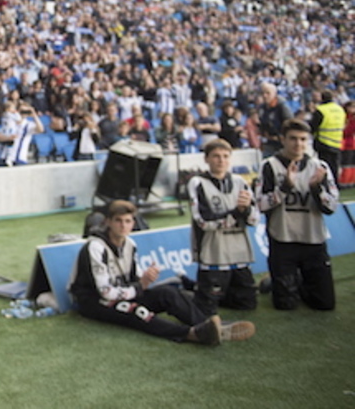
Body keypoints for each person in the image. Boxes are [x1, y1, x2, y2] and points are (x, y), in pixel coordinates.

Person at [70, 200, 255, 346]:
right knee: (137, 311)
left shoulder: (130, 245)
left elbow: (133, 278)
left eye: (127, 221)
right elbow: (105, 292)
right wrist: (140, 286)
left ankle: (210, 325)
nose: (122, 226)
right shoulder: (95, 247)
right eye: (118, 221)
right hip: (94, 303)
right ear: (108, 222)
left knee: (168, 293)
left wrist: (146, 278)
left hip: (122, 294)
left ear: (133, 223)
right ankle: (192, 335)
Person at [256, 119, 339, 310]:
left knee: (325, 304)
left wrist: (316, 189)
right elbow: (260, 205)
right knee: (285, 305)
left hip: (313, 240)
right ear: (282, 139)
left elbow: (332, 207)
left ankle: (295, 280)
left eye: (303, 139)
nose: (298, 144)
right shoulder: (269, 166)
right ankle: (280, 281)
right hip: (283, 240)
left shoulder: (320, 167)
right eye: (293, 139)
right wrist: (284, 187)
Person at [188, 139, 260, 316]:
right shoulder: (197, 183)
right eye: (216, 156)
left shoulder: (240, 182)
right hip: (213, 251)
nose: (221, 160)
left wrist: (246, 210)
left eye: (225, 156)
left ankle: (198, 290)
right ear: (206, 159)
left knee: (247, 303)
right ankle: (191, 290)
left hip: (239, 250)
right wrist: (237, 212)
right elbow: (204, 221)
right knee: (206, 309)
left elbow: (254, 219)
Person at [310, 90, 345, 183]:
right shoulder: (340, 109)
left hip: (323, 142)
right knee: (335, 166)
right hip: (337, 141)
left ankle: (326, 184)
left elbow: (313, 126)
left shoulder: (321, 110)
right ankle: (335, 185)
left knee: (324, 166)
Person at [259, 82, 293, 158]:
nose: (265, 96)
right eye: (263, 93)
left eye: (268, 93)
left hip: (282, 144)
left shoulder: (282, 107)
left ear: (274, 94)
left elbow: (290, 123)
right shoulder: (262, 108)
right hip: (269, 143)